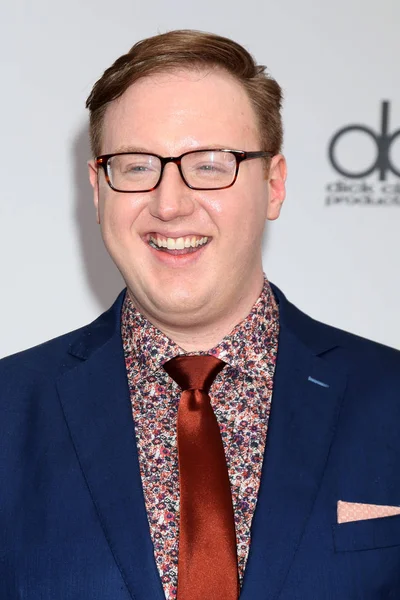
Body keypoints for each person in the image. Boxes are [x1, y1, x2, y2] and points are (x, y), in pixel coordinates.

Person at [1, 29, 399, 600]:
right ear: (97, 189)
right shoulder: (8, 412)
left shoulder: (391, 399)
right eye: (137, 167)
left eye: (211, 165)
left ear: (274, 184)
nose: (169, 203)